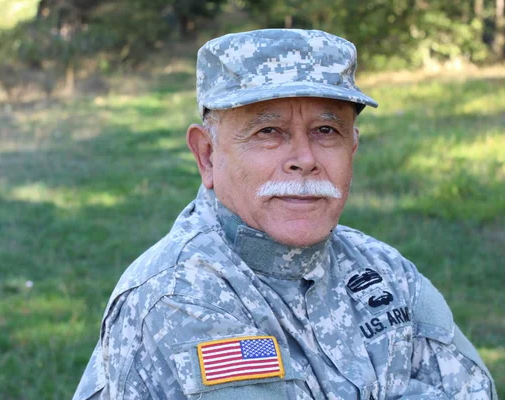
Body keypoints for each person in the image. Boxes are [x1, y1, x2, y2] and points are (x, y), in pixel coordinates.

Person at [72, 29, 496, 400]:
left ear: (353, 148)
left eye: (326, 131)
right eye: (268, 132)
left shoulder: (385, 271)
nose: (304, 159)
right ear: (207, 155)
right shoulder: (182, 296)